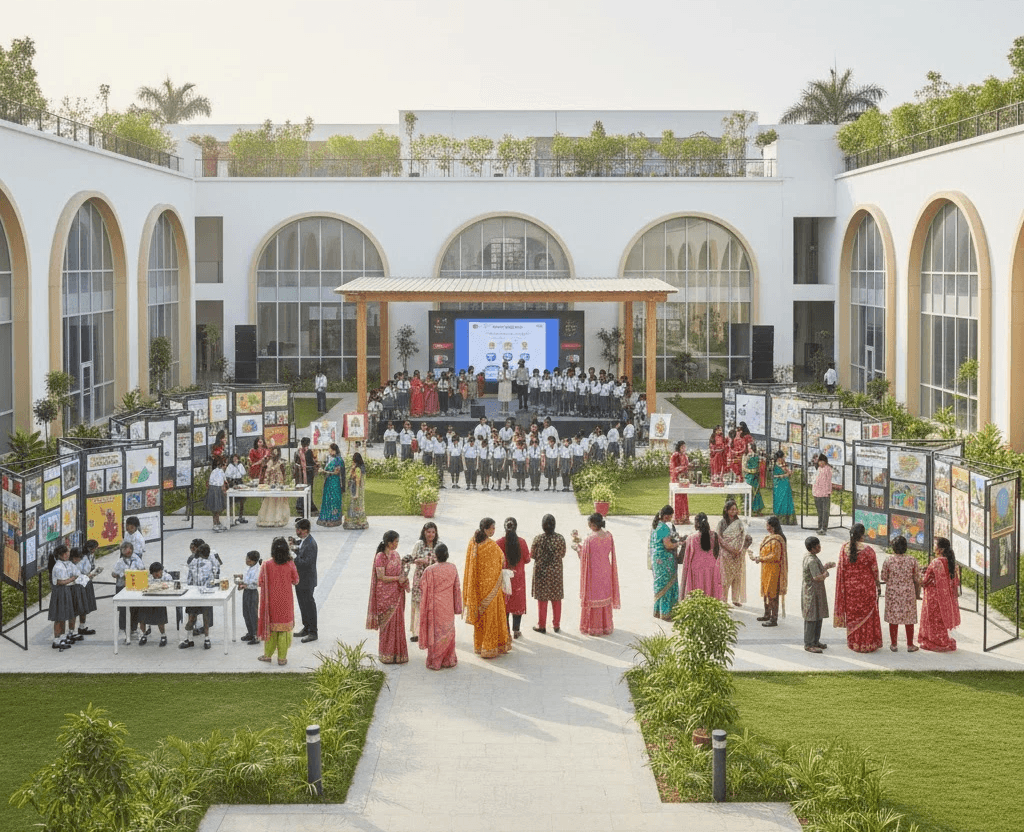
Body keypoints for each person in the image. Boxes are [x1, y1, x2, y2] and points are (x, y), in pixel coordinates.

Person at [463, 517, 512, 658]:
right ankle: (490, 647)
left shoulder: (472, 542)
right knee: (491, 617)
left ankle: (480, 646)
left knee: (481, 617)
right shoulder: (491, 546)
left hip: (476, 588)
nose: (493, 531)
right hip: (491, 588)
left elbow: (469, 565)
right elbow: (501, 560)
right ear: (485, 529)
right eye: (492, 528)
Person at [833, 523, 883, 653]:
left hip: (850, 590)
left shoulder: (844, 548)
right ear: (862, 535)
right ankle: (867, 643)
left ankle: (854, 642)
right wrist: (877, 584)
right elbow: (875, 570)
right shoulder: (868, 550)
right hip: (866, 589)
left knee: (853, 615)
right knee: (867, 617)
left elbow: (841, 569)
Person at [571, 512, 621, 635]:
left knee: (593, 597)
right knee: (604, 597)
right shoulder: (609, 535)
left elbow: (584, 556)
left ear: (593, 525)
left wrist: (577, 547)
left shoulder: (590, 539)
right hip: (606, 570)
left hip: (593, 573)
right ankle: (605, 626)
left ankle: (593, 627)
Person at [367, 529, 410, 664]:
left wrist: (405, 568)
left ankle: (398, 655)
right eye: (395, 542)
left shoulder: (396, 555)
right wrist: (398, 578)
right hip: (384, 595)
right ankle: (386, 655)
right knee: (387, 625)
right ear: (388, 542)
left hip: (397, 593)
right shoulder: (380, 556)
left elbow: (399, 569)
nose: (397, 544)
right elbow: (381, 577)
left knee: (398, 623)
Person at [417, 544, 462, 670]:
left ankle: (435, 661)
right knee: (448, 630)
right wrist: (457, 606)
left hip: (435, 606)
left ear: (435, 556)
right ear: (447, 555)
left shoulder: (429, 570)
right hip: (448, 605)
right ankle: (449, 659)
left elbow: (422, 586)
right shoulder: (453, 567)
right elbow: (457, 587)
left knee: (436, 632)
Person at [258, 537, 300, 666]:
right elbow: (296, 581)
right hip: (286, 601)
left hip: (271, 602)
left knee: (272, 629)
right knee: (284, 630)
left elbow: (260, 582)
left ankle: (267, 655)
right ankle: (282, 658)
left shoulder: (266, 564)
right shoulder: (290, 564)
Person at [881, 535, 922, 652]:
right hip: (908, 593)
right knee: (909, 619)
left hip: (893, 593)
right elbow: (917, 578)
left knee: (893, 618)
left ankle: (894, 644)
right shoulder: (912, 560)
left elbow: (884, 577)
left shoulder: (888, 560)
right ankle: (910, 644)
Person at [920, 537, 961, 652]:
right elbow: (954, 581)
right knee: (940, 620)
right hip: (946, 598)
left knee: (932, 619)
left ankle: (934, 641)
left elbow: (925, 580)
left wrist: (919, 575)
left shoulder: (936, 562)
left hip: (933, 596)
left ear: (941, 549)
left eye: (935, 545)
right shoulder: (951, 563)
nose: (934, 547)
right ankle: (943, 640)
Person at [531, 513, 566, 634]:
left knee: (542, 599)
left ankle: (541, 625)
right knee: (556, 598)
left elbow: (532, 555)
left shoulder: (538, 539)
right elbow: (562, 554)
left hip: (541, 571)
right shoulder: (560, 538)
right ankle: (556, 625)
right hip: (556, 571)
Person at [404, 521, 439, 641]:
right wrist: (416, 560)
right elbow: (411, 558)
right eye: (428, 532)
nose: (431, 534)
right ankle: (417, 632)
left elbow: (441, 561)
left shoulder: (438, 545)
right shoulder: (419, 544)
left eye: (433, 532)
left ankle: (431, 632)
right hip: (419, 578)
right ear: (424, 532)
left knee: (431, 605)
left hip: (433, 579)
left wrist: (427, 561)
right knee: (418, 604)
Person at [180, 542, 219, 650]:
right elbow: (213, 577)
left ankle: (189, 639)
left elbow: (189, 580)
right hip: (205, 594)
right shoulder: (209, 563)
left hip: (193, 594)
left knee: (191, 616)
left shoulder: (192, 562)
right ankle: (207, 639)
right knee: (206, 617)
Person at [497, 517, 531, 640]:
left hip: (504, 578)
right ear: (516, 527)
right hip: (518, 578)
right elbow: (527, 559)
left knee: (505, 604)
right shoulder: (522, 542)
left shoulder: (499, 543)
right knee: (517, 604)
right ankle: (516, 630)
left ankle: (506, 632)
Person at [801, 536, 835, 653]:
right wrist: (826, 574)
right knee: (811, 618)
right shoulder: (811, 560)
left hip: (816, 591)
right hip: (812, 592)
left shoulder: (810, 557)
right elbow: (817, 577)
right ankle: (809, 644)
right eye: (818, 546)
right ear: (812, 548)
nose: (820, 548)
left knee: (818, 616)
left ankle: (815, 641)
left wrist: (825, 567)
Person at [754, 516, 788, 627]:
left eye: (768, 525)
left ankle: (774, 619)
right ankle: (767, 614)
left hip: (774, 570)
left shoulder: (777, 539)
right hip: (766, 569)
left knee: (772, 594)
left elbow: (775, 556)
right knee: (766, 592)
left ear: (772, 526)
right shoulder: (769, 537)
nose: (767, 527)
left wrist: (761, 559)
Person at [681, 513, 724, 600]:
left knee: (697, 595)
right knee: (710, 593)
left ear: (697, 524)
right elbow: (718, 553)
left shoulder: (691, 538)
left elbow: (686, 559)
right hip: (711, 569)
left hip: (696, 570)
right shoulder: (714, 535)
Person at [716, 500, 750, 607]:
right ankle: (724, 599)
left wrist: (740, 550)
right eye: (731, 510)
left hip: (738, 554)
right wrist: (731, 549)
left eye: (735, 509)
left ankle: (735, 599)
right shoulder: (722, 523)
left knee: (737, 577)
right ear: (726, 510)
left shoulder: (739, 523)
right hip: (726, 554)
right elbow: (719, 538)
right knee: (725, 578)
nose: (734, 511)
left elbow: (743, 536)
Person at [650, 505, 680, 620]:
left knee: (660, 584)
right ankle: (666, 612)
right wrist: (678, 543)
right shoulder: (664, 528)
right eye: (671, 515)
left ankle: (658, 611)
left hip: (656, 559)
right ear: (667, 516)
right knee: (668, 584)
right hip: (665, 560)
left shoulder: (655, 526)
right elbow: (668, 545)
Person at [291, 519, 319, 643]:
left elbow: (306, 563)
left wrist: (294, 557)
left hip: (307, 580)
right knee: (302, 605)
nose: (297, 531)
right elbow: (300, 547)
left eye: (299, 530)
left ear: (305, 530)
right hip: (300, 579)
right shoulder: (304, 541)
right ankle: (306, 627)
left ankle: (313, 631)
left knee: (309, 605)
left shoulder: (311, 544)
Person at [111, 541, 144, 640]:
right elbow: (113, 573)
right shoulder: (120, 561)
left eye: (128, 549)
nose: (127, 551)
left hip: (134, 587)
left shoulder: (136, 559)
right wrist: (121, 574)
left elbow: (142, 569)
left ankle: (134, 628)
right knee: (123, 609)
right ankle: (124, 629)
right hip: (122, 587)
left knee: (134, 608)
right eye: (124, 549)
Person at [48, 545, 76, 651]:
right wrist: (72, 579)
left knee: (63, 615)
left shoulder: (64, 564)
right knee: (59, 617)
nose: (67, 554)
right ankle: (56, 640)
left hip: (65, 590)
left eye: (67, 552)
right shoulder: (58, 567)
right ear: (60, 555)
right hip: (60, 592)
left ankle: (62, 637)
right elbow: (60, 582)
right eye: (65, 553)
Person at [137, 562, 173, 646]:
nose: (156, 575)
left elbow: (172, 587)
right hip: (147, 600)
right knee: (142, 617)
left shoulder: (167, 577)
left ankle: (163, 635)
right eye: (154, 574)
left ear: (161, 571)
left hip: (160, 600)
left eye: (158, 573)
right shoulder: (148, 578)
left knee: (160, 618)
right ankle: (143, 635)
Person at [256, 446, 290, 527]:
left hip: (279, 481)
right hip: (271, 482)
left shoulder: (280, 462)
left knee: (279, 499)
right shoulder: (270, 462)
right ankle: (269, 519)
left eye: (276, 452)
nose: (275, 454)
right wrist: (266, 483)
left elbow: (283, 473)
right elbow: (267, 473)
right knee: (270, 499)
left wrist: (283, 481)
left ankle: (278, 518)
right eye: (274, 452)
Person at [317, 443, 345, 527]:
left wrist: (324, 471)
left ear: (334, 450)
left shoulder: (338, 460)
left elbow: (336, 472)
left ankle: (334, 518)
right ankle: (326, 518)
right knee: (327, 499)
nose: (329, 451)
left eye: (330, 450)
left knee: (334, 499)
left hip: (335, 482)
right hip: (328, 482)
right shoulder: (329, 458)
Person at [237, 550, 262, 644]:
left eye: (248, 559)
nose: (246, 560)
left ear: (253, 561)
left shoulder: (257, 570)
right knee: (246, 613)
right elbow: (246, 577)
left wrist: (245, 585)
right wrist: (241, 578)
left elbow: (255, 582)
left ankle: (256, 635)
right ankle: (250, 632)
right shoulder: (249, 568)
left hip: (252, 593)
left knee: (253, 614)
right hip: (246, 592)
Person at [293, 437, 319, 517]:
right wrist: (316, 465)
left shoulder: (298, 452)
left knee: (302, 488)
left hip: (301, 474)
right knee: (308, 489)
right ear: (308, 443)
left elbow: (295, 462)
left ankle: (300, 506)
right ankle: (307, 506)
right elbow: (313, 462)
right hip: (307, 473)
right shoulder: (309, 452)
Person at [343, 452, 369, 529]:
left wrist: (356, 493)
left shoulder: (357, 469)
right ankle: (359, 521)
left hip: (355, 490)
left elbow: (357, 481)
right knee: (358, 505)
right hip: (359, 490)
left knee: (354, 505)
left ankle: (354, 522)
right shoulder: (361, 468)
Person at [771, 450, 796, 525]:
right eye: (782, 458)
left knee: (787, 500)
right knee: (780, 500)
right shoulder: (775, 465)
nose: (783, 459)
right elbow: (775, 476)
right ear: (779, 458)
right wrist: (785, 475)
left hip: (786, 485)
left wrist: (790, 472)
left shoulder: (783, 464)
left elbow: (789, 473)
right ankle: (780, 519)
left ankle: (788, 520)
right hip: (779, 485)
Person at [669, 440, 691, 525]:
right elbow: (673, 468)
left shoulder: (684, 456)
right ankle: (678, 518)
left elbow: (687, 466)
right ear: (679, 447)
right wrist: (683, 468)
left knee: (684, 497)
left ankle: (684, 518)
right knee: (678, 498)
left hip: (683, 478)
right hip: (677, 478)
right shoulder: (675, 455)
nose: (684, 448)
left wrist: (687, 468)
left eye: (684, 447)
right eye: (682, 447)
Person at [812, 454, 833, 534]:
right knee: (820, 512)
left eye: (822, 461)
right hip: (817, 493)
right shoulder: (818, 469)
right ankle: (819, 526)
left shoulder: (828, 469)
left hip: (825, 494)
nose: (820, 463)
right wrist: (814, 491)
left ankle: (824, 528)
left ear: (825, 461)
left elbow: (829, 481)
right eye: (819, 461)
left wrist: (829, 491)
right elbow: (815, 480)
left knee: (825, 512)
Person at [225, 453, 248, 525]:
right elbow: (228, 474)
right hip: (233, 482)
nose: (235, 459)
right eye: (234, 458)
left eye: (236, 458)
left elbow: (243, 473)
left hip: (239, 481)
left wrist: (238, 467)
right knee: (232, 500)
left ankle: (240, 516)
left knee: (242, 499)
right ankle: (231, 517)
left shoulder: (240, 465)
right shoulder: (230, 466)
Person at [743, 447, 765, 516]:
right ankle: (749, 510)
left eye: (750, 447)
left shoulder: (757, 456)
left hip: (756, 476)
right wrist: (750, 471)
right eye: (748, 448)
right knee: (750, 493)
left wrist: (757, 470)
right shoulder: (746, 456)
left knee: (757, 492)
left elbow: (760, 466)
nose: (749, 449)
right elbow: (743, 467)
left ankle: (758, 510)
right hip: (749, 476)